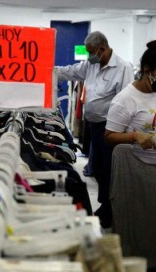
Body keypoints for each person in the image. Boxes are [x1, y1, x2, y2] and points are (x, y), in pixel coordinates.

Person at [55, 31, 134, 228]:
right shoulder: (91, 64)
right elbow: (71, 71)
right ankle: (104, 205)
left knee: (108, 170)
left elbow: (125, 102)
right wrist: (48, 70)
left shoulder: (123, 68)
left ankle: (110, 210)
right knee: (97, 168)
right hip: (93, 126)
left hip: (111, 128)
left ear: (102, 49)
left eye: (91, 52)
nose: (89, 56)